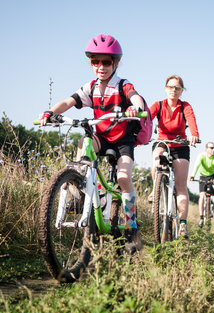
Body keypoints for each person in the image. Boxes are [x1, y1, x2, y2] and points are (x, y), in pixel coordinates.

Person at [39, 34, 144, 253]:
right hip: (103, 137)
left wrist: (135, 107)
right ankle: (80, 193)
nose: (100, 66)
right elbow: (69, 102)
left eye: (106, 62)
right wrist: (50, 113)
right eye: (95, 61)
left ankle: (132, 225)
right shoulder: (91, 87)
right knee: (83, 144)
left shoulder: (122, 86)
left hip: (122, 140)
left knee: (124, 177)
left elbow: (136, 97)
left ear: (115, 63)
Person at [150, 75, 199, 238]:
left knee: (180, 186)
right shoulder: (158, 105)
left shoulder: (185, 106)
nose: (173, 90)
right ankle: (155, 188)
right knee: (157, 154)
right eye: (171, 87)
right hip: (163, 142)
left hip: (180, 144)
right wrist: (140, 132)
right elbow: (147, 119)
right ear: (165, 88)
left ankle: (183, 224)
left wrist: (194, 135)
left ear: (181, 91)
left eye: (177, 88)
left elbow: (191, 120)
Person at [190, 142, 214, 227]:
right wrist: (192, 175)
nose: (213, 149)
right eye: (211, 148)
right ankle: (201, 218)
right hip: (203, 176)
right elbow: (196, 166)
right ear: (206, 149)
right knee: (201, 196)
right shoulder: (201, 156)